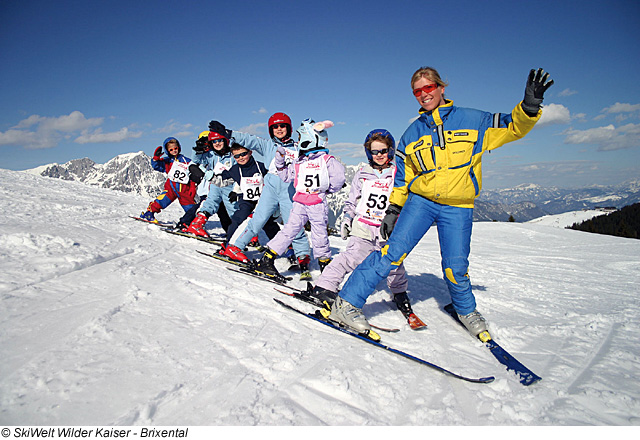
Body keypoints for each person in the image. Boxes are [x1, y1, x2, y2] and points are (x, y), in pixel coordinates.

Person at [330, 67, 554, 338]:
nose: (424, 94)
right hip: (421, 202)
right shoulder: (412, 133)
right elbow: (403, 178)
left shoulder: (473, 119)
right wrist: (393, 208)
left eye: (429, 88)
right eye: (418, 91)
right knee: (392, 254)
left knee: (456, 264)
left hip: (458, 205)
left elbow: (512, 126)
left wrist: (530, 106)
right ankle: (347, 302)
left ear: (441, 87)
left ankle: (466, 310)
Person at [309, 129, 417, 313]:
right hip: (364, 225)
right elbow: (353, 200)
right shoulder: (363, 174)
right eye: (375, 152)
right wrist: (347, 219)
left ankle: (399, 292)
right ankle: (325, 286)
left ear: (390, 150)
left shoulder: (397, 173)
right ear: (369, 153)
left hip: (388, 227)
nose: (380, 155)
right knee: (350, 258)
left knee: (393, 262)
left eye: (383, 151)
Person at [220, 113, 313, 277]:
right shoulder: (267, 145)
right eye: (275, 127)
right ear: (271, 130)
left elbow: (314, 159)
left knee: (294, 223)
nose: (279, 129)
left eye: (282, 126)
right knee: (258, 219)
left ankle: (301, 255)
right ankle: (235, 247)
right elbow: (249, 140)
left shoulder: (299, 148)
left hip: (289, 189)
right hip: (270, 187)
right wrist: (229, 134)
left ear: (289, 128)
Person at [252, 119, 346, 278]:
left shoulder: (322, 160)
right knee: (304, 232)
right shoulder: (303, 161)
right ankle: (269, 260)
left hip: (310, 203)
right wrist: (280, 162)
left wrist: (325, 190)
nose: (299, 141)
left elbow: (338, 179)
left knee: (311, 233)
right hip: (304, 203)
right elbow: (287, 176)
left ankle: (269, 259)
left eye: (301, 138)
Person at [214, 143, 281, 262]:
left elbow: (273, 180)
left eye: (243, 154)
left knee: (268, 223)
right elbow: (222, 180)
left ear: (250, 152)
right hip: (246, 200)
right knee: (238, 218)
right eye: (237, 156)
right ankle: (229, 245)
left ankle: (282, 246)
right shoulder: (235, 169)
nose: (240, 158)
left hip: (263, 201)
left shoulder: (261, 167)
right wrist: (206, 175)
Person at [183, 123, 238, 238]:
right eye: (214, 141)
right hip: (215, 184)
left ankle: (243, 233)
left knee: (233, 209)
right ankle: (197, 224)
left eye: (219, 140)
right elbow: (197, 161)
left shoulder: (232, 154)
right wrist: (197, 150)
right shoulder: (211, 154)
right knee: (210, 203)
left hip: (230, 185)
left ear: (225, 140)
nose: (217, 143)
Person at [173, 131, 232, 231]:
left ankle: (230, 231)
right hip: (208, 189)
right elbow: (194, 163)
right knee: (203, 207)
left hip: (223, 188)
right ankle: (185, 223)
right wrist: (198, 151)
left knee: (224, 212)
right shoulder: (207, 155)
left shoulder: (217, 154)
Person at [140, 137, 197, 222]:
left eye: (175, 148)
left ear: (179, 148)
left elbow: (193, 174)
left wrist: (192, 187)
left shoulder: (186, 161)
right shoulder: (167, 161)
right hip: (171, 188)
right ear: (167, 151)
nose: (174, 151)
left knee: (190, 206)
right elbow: (157, 166)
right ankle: (149, 213)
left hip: (184, 189)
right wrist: (155, 159)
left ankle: (193, 221)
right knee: (162, 200)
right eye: (171, 150)